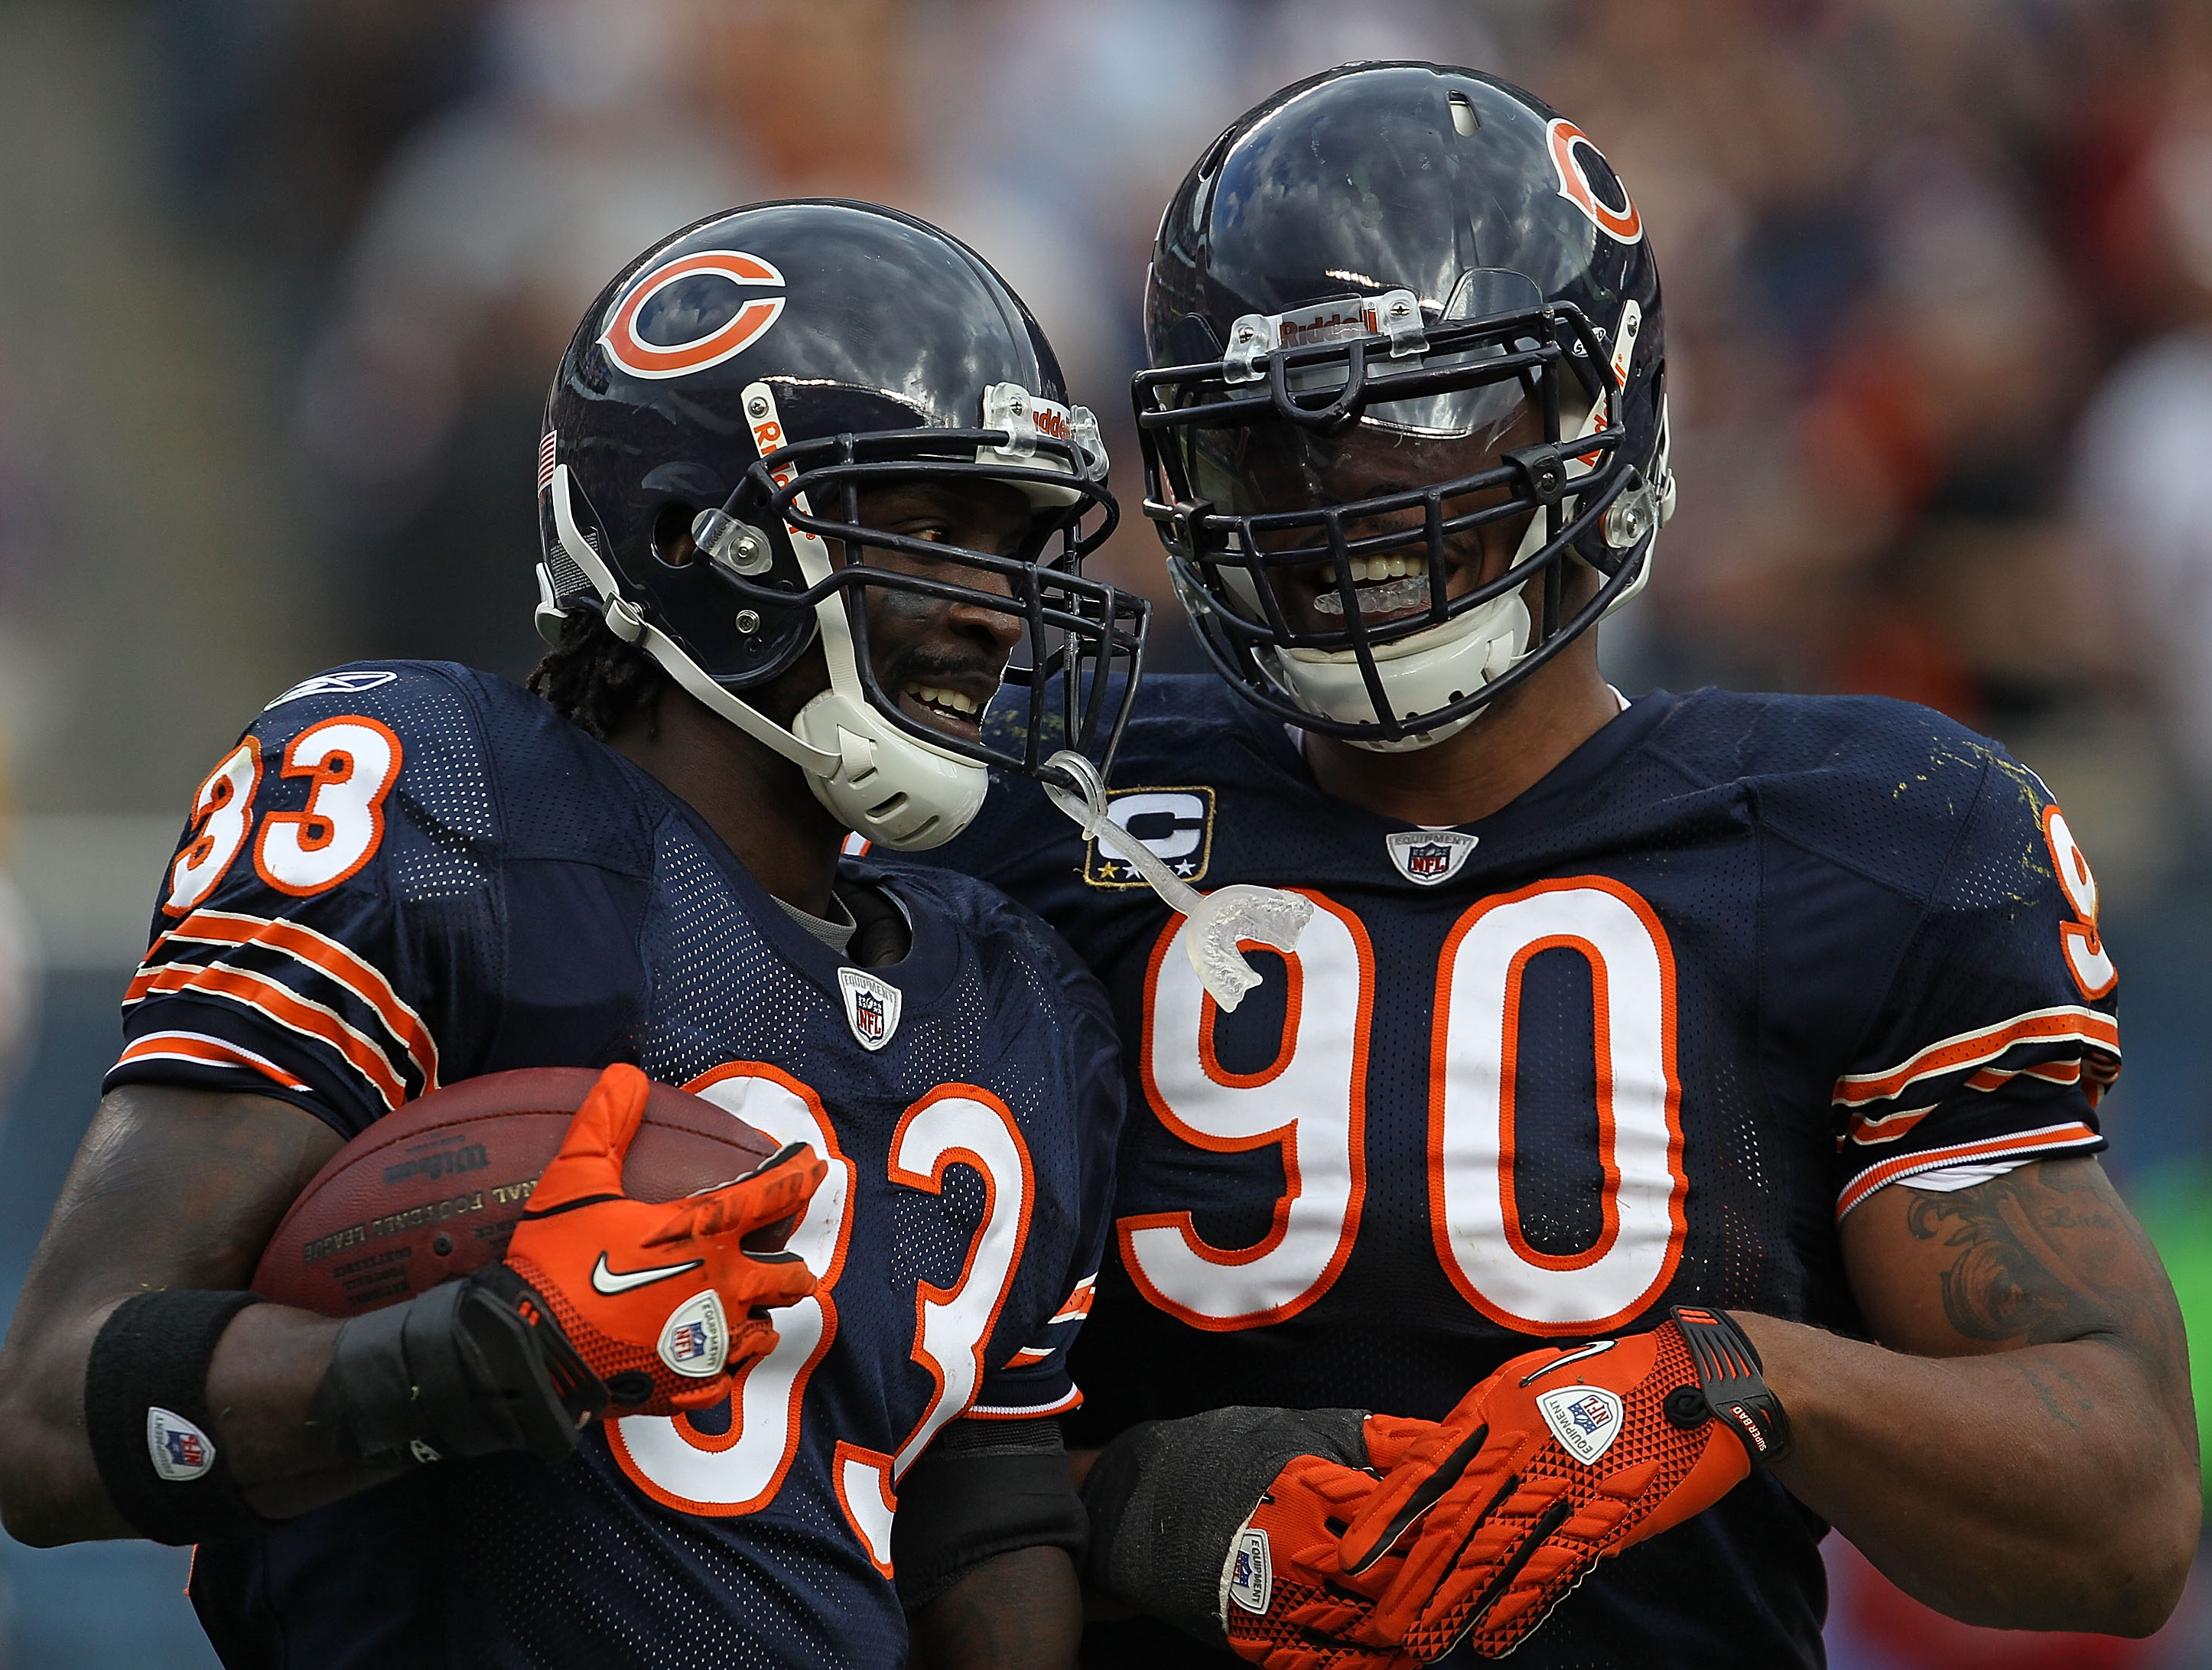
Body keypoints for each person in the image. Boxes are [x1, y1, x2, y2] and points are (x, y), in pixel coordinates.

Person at [916, 65, 2201, 1668]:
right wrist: (1146, 1516)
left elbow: (2125, 1519)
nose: (1338, 494)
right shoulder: (1038, 803)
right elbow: (784, 1431)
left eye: (1421, 416)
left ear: (1603, 412)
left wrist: (1725, 1380)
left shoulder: (1865, 830)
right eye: (1265, 443)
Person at [0, 200, 1147, 1670]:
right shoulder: (446, 807)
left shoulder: (1016, 995)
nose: (993, 610)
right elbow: (50, 1419)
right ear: (692, 537)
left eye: (1013, 548)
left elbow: (984, 1530)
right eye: (926, 534)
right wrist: (457, 1365)